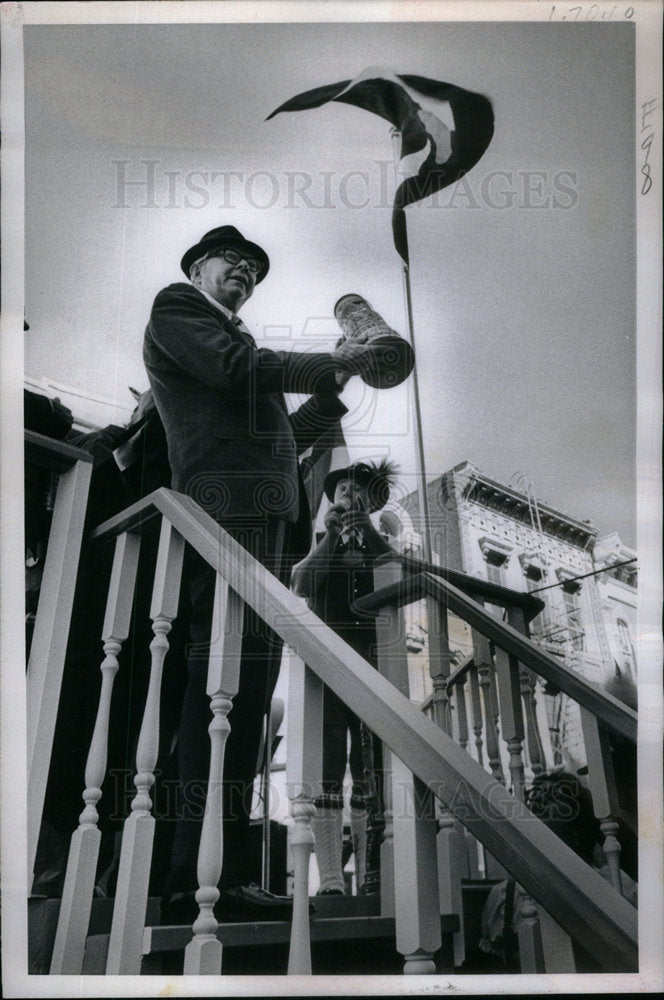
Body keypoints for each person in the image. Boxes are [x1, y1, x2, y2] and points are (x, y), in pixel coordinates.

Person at [143, 224, 368, 921]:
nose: (243, 270)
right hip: (226, 503)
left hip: (266, 517)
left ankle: (222, 869)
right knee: (220, 684)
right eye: (231, 260)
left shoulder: (239, 348)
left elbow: (282, 442)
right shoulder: (178, 309)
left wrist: (330, 395)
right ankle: (190, 871)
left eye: (253, 267)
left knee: (242, 694)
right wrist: (326, 362)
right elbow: (242, 372)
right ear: (197, 266)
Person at [291, 459, 399, 895]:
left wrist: (368, 533)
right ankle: (333, 878)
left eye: (358, 493)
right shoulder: (322, 541)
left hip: (373, 665)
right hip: (330, 666)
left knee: (369, 769)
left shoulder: (382, 542)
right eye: (342, 492)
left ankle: (371, 873)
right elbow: (301, 583)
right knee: (330, 766)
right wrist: (332, 537)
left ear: (371, 504)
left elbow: (397, 571)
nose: (348, 498)